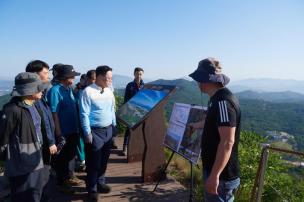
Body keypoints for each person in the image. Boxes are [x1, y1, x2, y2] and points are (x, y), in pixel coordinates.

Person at [189, 58, 241, 201]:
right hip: (215, 171)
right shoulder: (216, 99)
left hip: (222, 177)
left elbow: (227, 142)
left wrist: (214, 176)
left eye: (199, 79)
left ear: (206, 80)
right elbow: (213, 121)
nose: (197, 83)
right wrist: (196, 125)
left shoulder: (223, 102)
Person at [0, 72, 49, 202]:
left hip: (35, 161)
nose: (42, 91)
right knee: (23, 196)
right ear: (29, 91)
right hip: (20, 166)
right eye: (39, 88)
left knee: (36, 194)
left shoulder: (32, 105)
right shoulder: (11, 110)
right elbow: (2, 138)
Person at [79, 65, 116, 201]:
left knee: (104, 160)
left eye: (111, 78)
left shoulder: (109, 90)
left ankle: (100, 183)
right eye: (108, 78)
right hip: (94, 131)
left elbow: (112, 109)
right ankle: (92, 188)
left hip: (108, 129)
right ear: (99, 77)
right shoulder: (87, 92)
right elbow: (84, 114)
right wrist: (87, 133)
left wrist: (114, 125)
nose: (110, 80)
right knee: (93, 161)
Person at [47, 64, 82, 193]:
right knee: (61, 159)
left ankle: (68, 178)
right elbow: (54, 113)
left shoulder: (68, 89)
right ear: (64, 77)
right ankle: (61, 183)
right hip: (63, 131)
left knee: (70, 156)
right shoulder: (55, 91)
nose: (74, 77)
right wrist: (58, 132)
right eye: (72, 75)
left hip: (73, 129)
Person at [121, 67, 144, 155]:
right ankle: (125, 147)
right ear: (134, 74)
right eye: (137, 74)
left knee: (139, 130)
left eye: (140, 74)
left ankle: (137, 147)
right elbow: (126, 99)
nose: (139, 76)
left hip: (141, 112)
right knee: (128, 129)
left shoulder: (145, 86)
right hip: (130, 111)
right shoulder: (129, 85)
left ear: (143, 75)